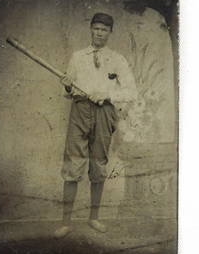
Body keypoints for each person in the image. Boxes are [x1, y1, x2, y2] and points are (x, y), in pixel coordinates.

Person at [54, 13, 137, 238]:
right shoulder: (77, 57)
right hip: (80, 111)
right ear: (90, 29)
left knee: (98, 164)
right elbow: (68, 90)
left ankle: (94, 218)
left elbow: (131, 91)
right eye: (96, 28)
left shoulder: (117, 59)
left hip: (104, 113)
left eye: (104, 30)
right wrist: (68, 87)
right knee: (73, 164)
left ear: (110, 33)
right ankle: (65, 222)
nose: (99, 33)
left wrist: (107, 94)